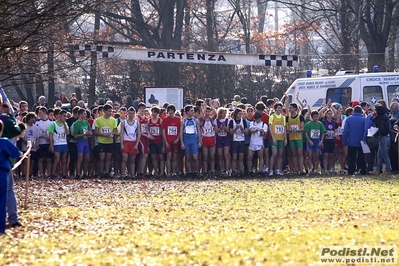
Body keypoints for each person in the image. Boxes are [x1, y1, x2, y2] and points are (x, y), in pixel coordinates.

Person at [0, 120, 22, 234]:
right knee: (3, 198)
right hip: (2, 172)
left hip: (3, 171)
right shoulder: (4, 141)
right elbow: (16, 153)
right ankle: (1, 226)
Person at [94, 104, 117, 177]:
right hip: (101, 142)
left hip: (110, 142)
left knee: (108, 158)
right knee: (102, 157)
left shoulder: (113, 120)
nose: (110, 113)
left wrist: (112, 134)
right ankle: (101, 172)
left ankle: (107, 172)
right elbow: (96, 132)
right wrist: (104, 134)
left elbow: (115, 131)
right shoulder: (99, 120)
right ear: (104, 111)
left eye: (111, 111)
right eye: (109, 111)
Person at [342, 106, 366, 175]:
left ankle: (351, 170)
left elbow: (345, 131)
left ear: (354, 111)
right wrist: (364, 139)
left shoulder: (349, 119)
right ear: (361, 111)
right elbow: (365, 130)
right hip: (361, 141)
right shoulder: (364, 119)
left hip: (351, 141)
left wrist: (344, 141)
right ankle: (362, 170)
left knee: (351, 157)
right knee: (361, 156)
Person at [369, 104, 392, 175]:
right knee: (379, 154)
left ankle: (388, 169)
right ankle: (378, 169)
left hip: (383, 137)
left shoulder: (380, 119)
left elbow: (381, 129)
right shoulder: (385, 117)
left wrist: (374, 135)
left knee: (385, 155)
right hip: (385, 137)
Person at [180, 105, 201, 177]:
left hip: (194, 140)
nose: (193, 112)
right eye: (191, 111)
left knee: (195, 157)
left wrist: (199, 141)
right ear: (187, 112)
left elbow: (198, 131)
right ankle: (189, 172)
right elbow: (181, 133)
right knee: (188, 157)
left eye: (193, 111)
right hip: (186, 140)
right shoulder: (183, 121)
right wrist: (182, 143)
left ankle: (196, 171)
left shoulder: (196, 120)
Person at [120, 107, 141, 178]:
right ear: (127, 114)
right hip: (126, 142)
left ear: (134, 114)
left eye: (132, 113)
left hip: (133, 142)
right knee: (124, 159)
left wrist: (136, 144)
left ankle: (132, 174)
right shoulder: (123, 123)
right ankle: (123, 174)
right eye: (130, 113)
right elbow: (121, 134)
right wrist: (122, 144)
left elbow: (139, 134)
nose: (131, 115)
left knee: (132, 160)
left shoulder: (137, 123)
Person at [49, 109, 69, 178]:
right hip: (57, 144)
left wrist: (64, 124)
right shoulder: (53, 124)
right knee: (57, 159)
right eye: (64, 116)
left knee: (64, 160)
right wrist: (51, 145)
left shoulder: (65, 124)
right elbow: (51, 135)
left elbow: (67, 133)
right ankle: (53, 173)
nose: (65, 117)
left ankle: (63, 173)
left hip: (64, 143)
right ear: (60, 116)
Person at [161, 104, 181, 177]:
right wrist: (165, 142)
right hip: (168, 140)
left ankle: (174, 172)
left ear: (174, 111)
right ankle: (168, 172)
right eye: (169, 110)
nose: (170, 112)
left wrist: (178, 138)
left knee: (175, 157)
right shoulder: (165, 120)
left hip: (175, 140)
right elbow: (163, 131)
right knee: (168, 157)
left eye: (172, 110)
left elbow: (179, 130)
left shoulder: (178, 119)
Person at [268, 102, 287, 176]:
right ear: (275, 109)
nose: (279, 109)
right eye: (278, 108)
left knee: (280, 154)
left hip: (281, 139)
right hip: (275, 139)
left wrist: (285, 139)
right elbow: (270, 128)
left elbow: (284, 129)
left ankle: (278, 169)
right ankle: (271, 170)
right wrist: (273, 138)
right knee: (274, 154)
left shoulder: (283, 118)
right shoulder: (272, 117)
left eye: (280, 108)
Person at [286, 103, 305, 175]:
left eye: (290, 108)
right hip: (291, 138)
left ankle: (301, 169)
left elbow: (302, 128)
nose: (289, 109)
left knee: (300, 153)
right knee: (293, 153)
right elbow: (287, 128)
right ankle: (296, 169)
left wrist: (297, 131)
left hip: (299, 138)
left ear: (295, 109)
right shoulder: (287, 117)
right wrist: (290, 131)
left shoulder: (300, 117)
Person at [73, 108, 92, 178]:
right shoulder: (76, 124)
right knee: (80, 158)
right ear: (80, 114)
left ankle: (85, 173)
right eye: (84, 113)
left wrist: (89, 133)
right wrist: (83, 135)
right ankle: (78, 173)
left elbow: (90, 131)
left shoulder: (86, 122)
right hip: (80, 142)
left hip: (86, 142)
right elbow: (75, 135)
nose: (85, 115)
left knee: (87, 159)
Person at [247, 111, 268, 176]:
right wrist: (256, 130)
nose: (257, 120)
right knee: (249, 157)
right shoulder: (252, 123)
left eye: (258, 119)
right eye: (255, 119)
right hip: (252, 143)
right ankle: (249, 171)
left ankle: (260, 171)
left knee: (260, 157)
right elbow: (251, 130)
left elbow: (264, 134)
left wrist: (262, 132)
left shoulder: (264, 125)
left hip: (259, 143)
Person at [229, 108, 248, 176]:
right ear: (236, 114)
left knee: (241, 157)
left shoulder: (243, 121)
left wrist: (242, 129)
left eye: (241, 114)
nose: (240, 115)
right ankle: (233, 170)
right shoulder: (232, 121)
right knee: (234, 157)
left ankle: (241, 170)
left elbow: (246, 131)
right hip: (235, 141)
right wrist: (236, 128)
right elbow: (231, 132)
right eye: (239, 114)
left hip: (242, 140)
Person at [199, 106, 217, 178]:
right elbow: (200, 116)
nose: (207, 113)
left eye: (208, 112)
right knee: (205, 156)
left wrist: (211, 105)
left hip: (211, 138)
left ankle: (212, 171)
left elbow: (215, 114)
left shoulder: (212, 119)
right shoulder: (202, 120)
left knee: (212, 156)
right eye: (206, 111)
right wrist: (205, 108)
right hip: (204, 138)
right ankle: (205, 171)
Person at [35, 107, 53, 178]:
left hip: (48, 143)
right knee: (41, 159)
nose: (39, 113)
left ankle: (49, 174)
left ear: (45, 113)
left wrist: (51, 142)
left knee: (49, 159)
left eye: (40, 112)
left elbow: (51, 134)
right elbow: (37, 134)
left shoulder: (51, 122)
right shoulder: (37, 122)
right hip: (40, 143)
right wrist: (37, 143)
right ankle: (42, 174)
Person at [148, 106, 164, 177]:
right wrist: (149, 136)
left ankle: (162, 172)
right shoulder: (149, 121)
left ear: (157, 113)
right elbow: (147, 130)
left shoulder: (160, 121)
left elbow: (163, 132)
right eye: (152, 112)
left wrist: (164, 143)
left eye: (155, 112)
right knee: (153, 157)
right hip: (152, 142)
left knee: (161, 157)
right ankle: (156, 171)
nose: (153, 113)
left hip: (159, 141)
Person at [215, 107, 231, 177]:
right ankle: (221, 170)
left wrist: (224, 127)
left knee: (226, 155)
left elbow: (227, 131)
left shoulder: (228, 120)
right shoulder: (216, 120)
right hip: (219, 139)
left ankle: (227, 170)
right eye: (222, 113)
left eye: (225, 113)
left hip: (226, 139)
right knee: (220, 155)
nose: (224, 115)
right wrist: (220, 128)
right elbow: (216, 131)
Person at [321, 109, 338, 174]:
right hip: (325, 141)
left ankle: (329, 168)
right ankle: (325, 169)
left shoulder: (334, 123)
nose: (330, 115)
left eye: (331, 114)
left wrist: (336, 135)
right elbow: (322, 131)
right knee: (325, 155)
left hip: (332, 141)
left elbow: (336, 131)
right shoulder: (323, 122)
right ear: (326, 114)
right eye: (329, 114)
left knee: (331, 155)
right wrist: (326, 134)